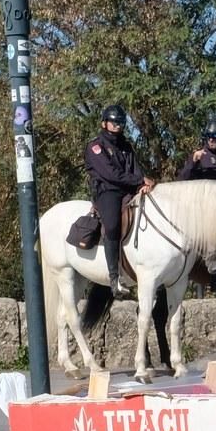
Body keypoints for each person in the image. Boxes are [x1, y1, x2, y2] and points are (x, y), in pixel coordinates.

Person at [84, 103, 154, 297]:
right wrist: (138, 180)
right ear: (104, 123)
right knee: (113, 224)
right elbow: (111, 174)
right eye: (114, 122)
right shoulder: (96, 146)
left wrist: (142, 184)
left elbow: (135, 169)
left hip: (128, 189)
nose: (117, 125)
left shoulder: (126, 146)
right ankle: (114, 277)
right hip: (108, 191)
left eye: (121, 122)